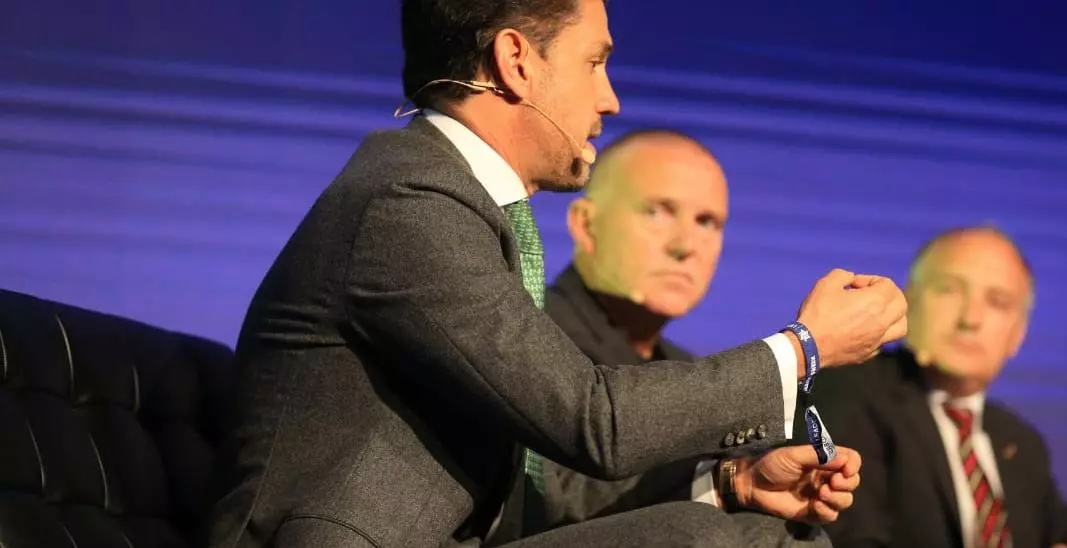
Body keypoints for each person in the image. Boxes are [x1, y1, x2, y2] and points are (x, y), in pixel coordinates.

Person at [203, 1, 908, 547]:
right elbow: (593, 421)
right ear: (517, 61)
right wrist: (804, 347)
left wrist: (730, 481)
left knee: (764, 527)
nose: (610, 98)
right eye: (594, 62)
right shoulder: (409, 202)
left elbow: (535, 491)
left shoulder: (454, 203)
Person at [510, 128, 830, 545]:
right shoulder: (525, 331)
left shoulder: (689, 370)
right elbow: (536, 499)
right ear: (586, 225)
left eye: (706, 222)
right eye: (658, 212)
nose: (685, 245)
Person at [804, 226, 1067, 548]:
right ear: (910, 301)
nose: (970, 318)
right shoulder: (849, 392)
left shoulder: (1018, 441)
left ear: (1018, 334)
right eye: (949, 290)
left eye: (997, 302)